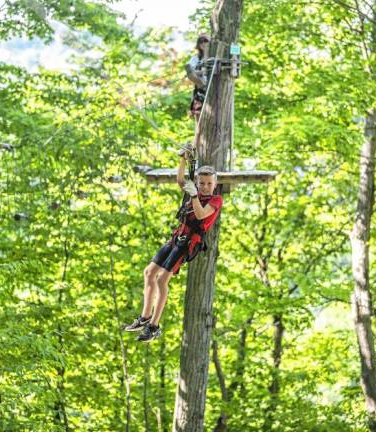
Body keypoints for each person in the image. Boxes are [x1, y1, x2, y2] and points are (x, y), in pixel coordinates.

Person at [124, 142, 223, 343]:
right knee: (149, 273)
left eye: (208, 184)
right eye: (201, 183)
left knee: (162, 280)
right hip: (177, 237)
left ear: (214, 184)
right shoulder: (194, 190)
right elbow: (180, 180)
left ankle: (154, 326)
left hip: (188, 244)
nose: (204, 187)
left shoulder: (215, 200)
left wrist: (195, 195)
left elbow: (201, 214)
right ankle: (144, 317)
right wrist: (182, 159)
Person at [185, 34, 210, 122]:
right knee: (198, 117)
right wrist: (200, 72)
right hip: (200, 88)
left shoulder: (214, 55)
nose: (203, 43)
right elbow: (189, 70)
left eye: (206, 41)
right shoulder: (196, 58)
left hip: (212, 88)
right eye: (201, 41)